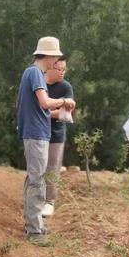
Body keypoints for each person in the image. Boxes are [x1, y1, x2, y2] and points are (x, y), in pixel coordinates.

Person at [16, 36, 75, 239]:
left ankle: (33, 224)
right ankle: (34, 231)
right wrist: (64, 101)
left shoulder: (31, 73)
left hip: (36, 132)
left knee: (34, 178)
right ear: (48, 56)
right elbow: (44, 102)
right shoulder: (35, 73)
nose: (56, 62)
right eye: (55, 57)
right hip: (36, 133)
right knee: (37, 181)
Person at [43, 55, 75, 217]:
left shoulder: (65, 87)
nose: (62, 73)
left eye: (64, 69)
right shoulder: (39, 84)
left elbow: (65, 113)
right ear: (49, 67)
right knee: (36, 167)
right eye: (59, 69)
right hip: (36, 132)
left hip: (56, 134)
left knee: (52, 168)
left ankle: (50, 201)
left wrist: (42, 113)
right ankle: (36, 197)